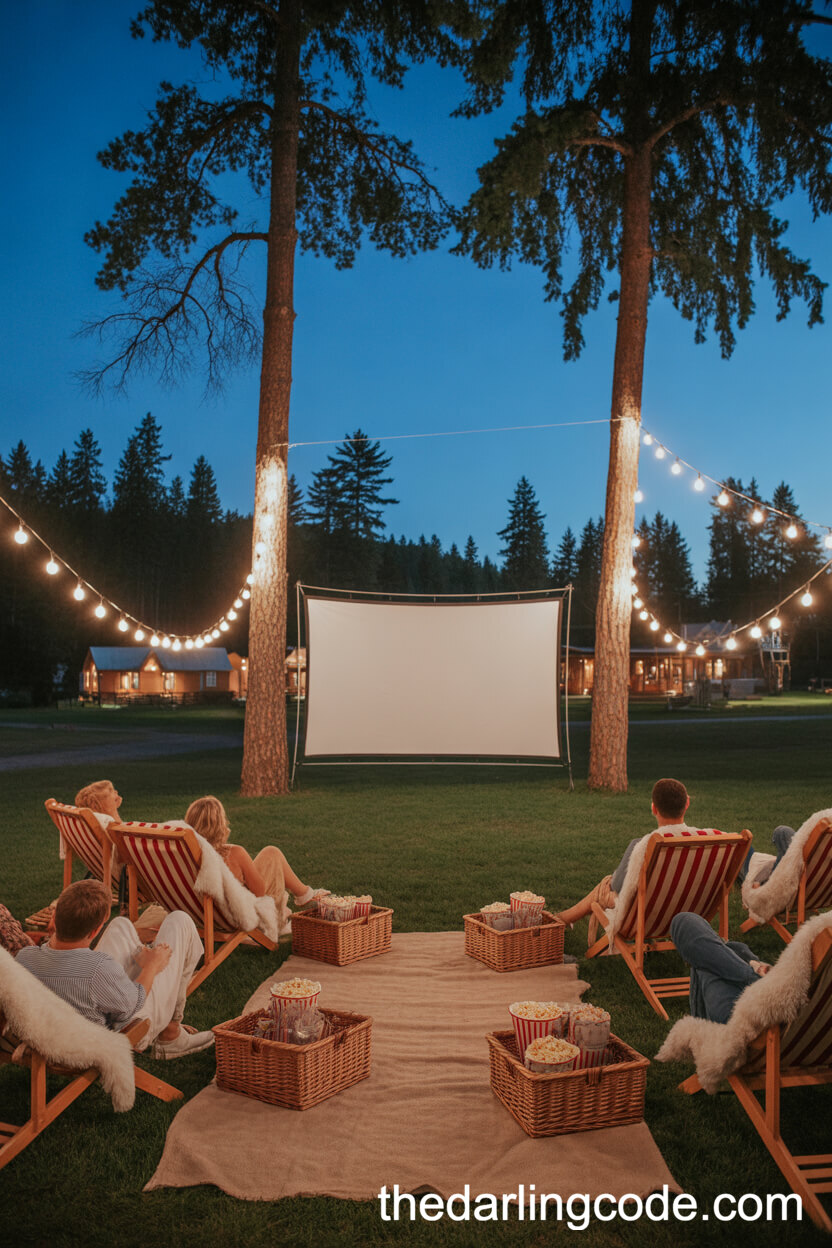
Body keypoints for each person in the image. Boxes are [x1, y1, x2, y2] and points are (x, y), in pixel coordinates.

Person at [15, 879, 214, 1059]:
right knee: (180, 921)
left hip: (57, 1030)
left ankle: (145, 958)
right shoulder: (97, 969)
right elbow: (132, 1005)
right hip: (123, 1031)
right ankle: (171, 1036)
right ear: (95, 931)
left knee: (121, 925)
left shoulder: (25, 957)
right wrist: (152, 965)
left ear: (55, 917)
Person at [556, 778, 706, 933]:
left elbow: (619, 886)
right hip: (688, 911)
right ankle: (562, 919)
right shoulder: (706, 843)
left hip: (647, 914)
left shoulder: (642, 846)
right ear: (687, 804)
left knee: (606, 886)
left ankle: (559, 920)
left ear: (654, 808)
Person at [184, 796, 329, 934]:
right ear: (220, 826)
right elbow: (260, 892)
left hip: (206, 917)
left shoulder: (184, 855)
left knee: (269, 856)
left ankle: (305, 895)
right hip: (238, 919)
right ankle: (304, 897)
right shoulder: (234, 853)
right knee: (271, 853)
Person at [669, 911, 771, 1023]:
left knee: (684, 925)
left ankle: (728, 952)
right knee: (708, 954)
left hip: (734, 1020)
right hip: (761, 999)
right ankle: (748, 972)